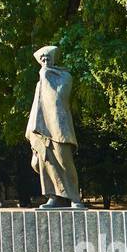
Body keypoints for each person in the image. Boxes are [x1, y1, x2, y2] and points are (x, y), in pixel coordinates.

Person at [26, 45, 86, 209]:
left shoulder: (64, 76)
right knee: (48, 163)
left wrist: (45, 75)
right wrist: (32, 130)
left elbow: (58, 98)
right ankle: (54, 196)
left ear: (53, 59)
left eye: (48, 58)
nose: (45, 61)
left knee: (64, 160)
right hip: (42, 128)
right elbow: (36, 107)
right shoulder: (40, 81)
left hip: (59, 127)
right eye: (42, 59)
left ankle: (74, 197)